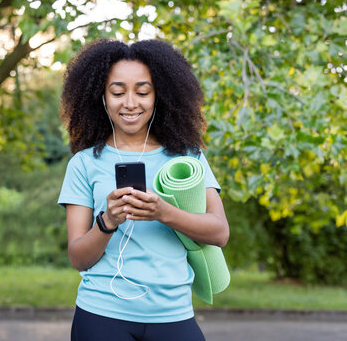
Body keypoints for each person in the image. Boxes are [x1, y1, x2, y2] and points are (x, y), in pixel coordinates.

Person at [57, 38, 229, 341]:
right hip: (101, 315)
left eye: (143, 91)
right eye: (118, 92)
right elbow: (78, 258)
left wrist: (163, 212)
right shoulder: (84, 164)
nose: (130, 103)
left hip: (174, 315)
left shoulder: (188, 157)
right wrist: (107, 221)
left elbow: (219, 232)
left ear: (159, 95)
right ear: (101, 97)